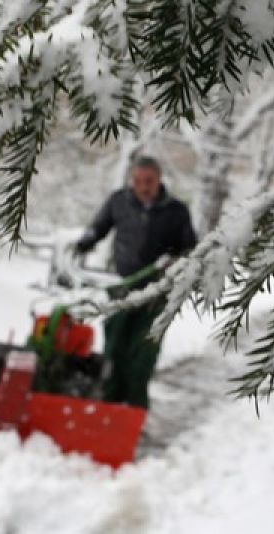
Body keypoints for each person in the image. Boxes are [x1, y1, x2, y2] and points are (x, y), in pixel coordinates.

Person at [74, 156, 197, 408]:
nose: (143, 187)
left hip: (156, 292)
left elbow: (191, 248)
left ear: (159, 180)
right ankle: (108, 404)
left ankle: (135, 407)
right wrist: (82, 244)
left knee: (143, 352)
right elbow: (98, 228)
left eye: (148, 181)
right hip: (122, 287)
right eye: (138, 181)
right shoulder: (119, 201)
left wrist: (175, 262)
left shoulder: (176, 211)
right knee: (114, 348)